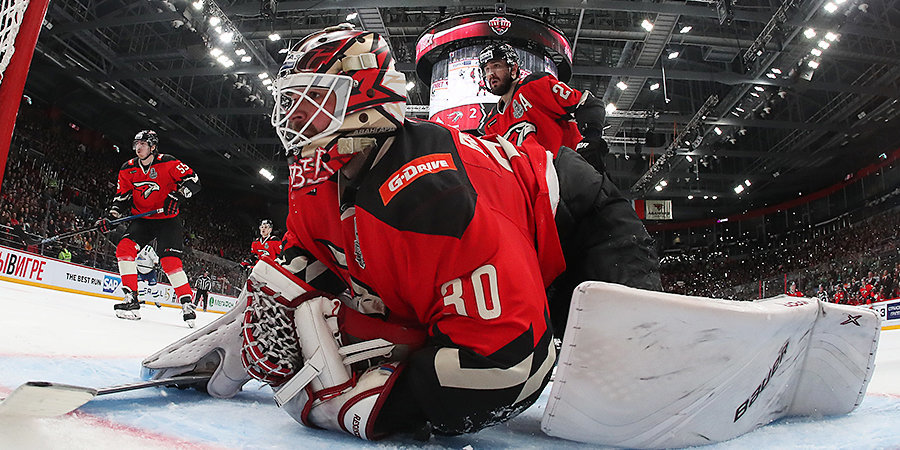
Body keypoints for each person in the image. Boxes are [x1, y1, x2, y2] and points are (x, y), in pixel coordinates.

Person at [144, 24, 560, 441]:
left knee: (600, 397)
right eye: (290, 102)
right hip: (504, 222)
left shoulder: (431, 196)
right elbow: (310, 261)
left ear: (366, 100)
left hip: (567, 216)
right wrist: (250, 323)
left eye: (314, 100)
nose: (296, 117)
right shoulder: (315, 176)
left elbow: (513, 363)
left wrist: (370, 406)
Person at [479, 42, 661, 336]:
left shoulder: (535, 85)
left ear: (513, 68)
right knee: (562, 297)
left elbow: (589, 105)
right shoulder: (490, 124)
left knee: (620, 257)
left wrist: (590, 143)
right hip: (543, 216)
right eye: (487, 69)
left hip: (574, 185)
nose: (492, 74)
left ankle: (651, 327)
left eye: (497, 66)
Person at [97, 130, 200, 325]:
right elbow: (121, 197)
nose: (138, 147)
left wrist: (177, 197)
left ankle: (187, 302)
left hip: (167, 219)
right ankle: (131, 299)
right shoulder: (128, 168)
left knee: (169, 261)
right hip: (142, 219)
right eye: (136, 144)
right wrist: (110, 217)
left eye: (143, 144)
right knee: (124, 248)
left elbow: (194, 182)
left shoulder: (168, 162)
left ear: (152, 147)